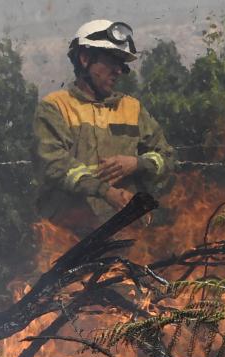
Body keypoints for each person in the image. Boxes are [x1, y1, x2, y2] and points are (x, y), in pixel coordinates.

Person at [33, 20, 175, 235]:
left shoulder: (132, 108)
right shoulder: (55, 107)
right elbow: (54, 165)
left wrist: (137, 164)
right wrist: (105, 191)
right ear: (85, 58)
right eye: (112, 62)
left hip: (125, 234)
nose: (118, 71)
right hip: (68, 237)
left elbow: (167, 157)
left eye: (122, 65)